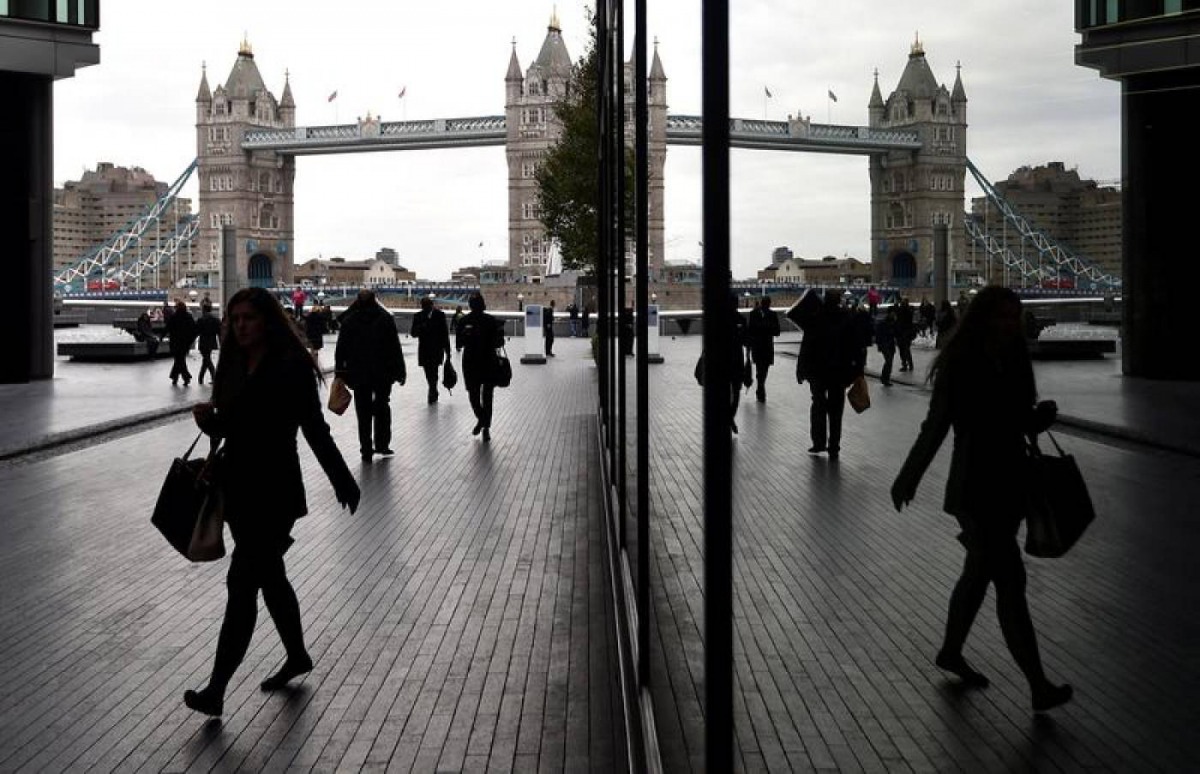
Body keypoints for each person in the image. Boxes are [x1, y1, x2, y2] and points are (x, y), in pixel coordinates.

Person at [891, 285, 1071, 713]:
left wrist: (1035, 419)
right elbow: (936, 426)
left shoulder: (1014, 359)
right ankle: (1037, 685)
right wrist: (908, 477)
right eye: (1002, 316)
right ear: (982, 318)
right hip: (975, 488)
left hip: (1010, 484)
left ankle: (951, 651)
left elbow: (1013, 420)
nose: (1010, 324)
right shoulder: (961, 364)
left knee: (977, 577)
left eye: (1015, 316)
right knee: (1011, 583)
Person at [185, 287, 360, 717]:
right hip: (239, 490)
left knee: (241, 585)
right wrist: (212, 421)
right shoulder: (230, 362)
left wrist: (342, 479)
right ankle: (297, 654)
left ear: (268, 320)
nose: (240, 325)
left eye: (248, 318)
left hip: (276, 492)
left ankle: (216, 689)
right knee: (270, 578)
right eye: (235, 318)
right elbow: (232, 424)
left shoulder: (292, 366)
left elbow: (314, 430)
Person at [334, 290, 407, 461]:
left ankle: (366, 448)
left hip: (359, 374)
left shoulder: (350, 320)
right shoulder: (385, 318)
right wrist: (400, 371)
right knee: (382, 406)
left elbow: (341, 349)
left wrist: (340, 372)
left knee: (363, 410)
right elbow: (394, 347)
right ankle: (382, 444)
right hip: (382, 373)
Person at [796, 289, 867, 459]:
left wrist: (801, 369)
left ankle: (818, 442)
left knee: (818, 405)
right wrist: (858, 370)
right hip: (839, 373)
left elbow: (806, 346)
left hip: (818, 372)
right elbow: (857, 347)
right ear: (839, 301)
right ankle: (834, 445)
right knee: (836, 410)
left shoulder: (815, 318)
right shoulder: (847, 319)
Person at [456, 292, 504, 442]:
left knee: (473, 396)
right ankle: (485, 425)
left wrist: (466, 335)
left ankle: (482, 420)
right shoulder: (491, 320)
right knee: (488, 396)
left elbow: (458, 344)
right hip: (489, 361)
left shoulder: (464, 320)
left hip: (471, 363)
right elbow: (498, 343)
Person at [411, 295, 452, 404]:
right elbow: (413, 333)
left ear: (431, 305)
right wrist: (421, 327)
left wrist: (448, 350)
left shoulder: (440, 315)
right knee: (428, 371)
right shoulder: (418, 316)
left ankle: (432, 390)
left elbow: (444, 333)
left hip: (436, 349)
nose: (426, 308)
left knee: (434, 371)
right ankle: (433, 389)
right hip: (424, 350)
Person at [745, 295, 781, 403]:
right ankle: (761, 387)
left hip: (759, 346)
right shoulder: (771, 315)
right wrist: (767, 328)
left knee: (761, 369)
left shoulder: (754, 314)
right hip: (765, 346)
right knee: (763, 369)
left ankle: (760, 386)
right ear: (769, 303)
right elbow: (776, 331)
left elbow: (750, 331)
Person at [166, 299, 198, 387]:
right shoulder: (188, 317)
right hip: (184, 343)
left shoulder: (174, 316)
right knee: (180, 360)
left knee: (178, 360)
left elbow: (168, 328)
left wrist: (162, 337)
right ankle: (177, 377)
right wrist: (190, 340)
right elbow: (194, 330)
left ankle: (182, 377)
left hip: (175, 342)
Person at [196, 302, 221, 385]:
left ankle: (214, 377)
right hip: (211, 341)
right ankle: (201, 378)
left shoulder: (201, 319)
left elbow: (196, 331)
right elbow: (219, 331)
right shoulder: (215, 319)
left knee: (207, 359)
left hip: (203, 341)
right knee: (206, 359)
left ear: (203, 309)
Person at [875, 307, 898, 386]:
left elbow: (895, 333)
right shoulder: (884, 323)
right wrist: (880, 344)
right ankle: (885, 378)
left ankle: (885, 378)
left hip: (890, 345)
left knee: (889, 362)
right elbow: (879, 334)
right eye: (893, 313)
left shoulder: (893, 323)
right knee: (888, 361)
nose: (894, 315)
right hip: (885, 345)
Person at [895, 297, 916, 372]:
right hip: (905, 333)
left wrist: (898, 306)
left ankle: (905, 365)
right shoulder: (908, 310)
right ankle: (909, 365)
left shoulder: (904, 310)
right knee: (906, 350)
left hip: (903, 333)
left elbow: (898, 316)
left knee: (903, 350)